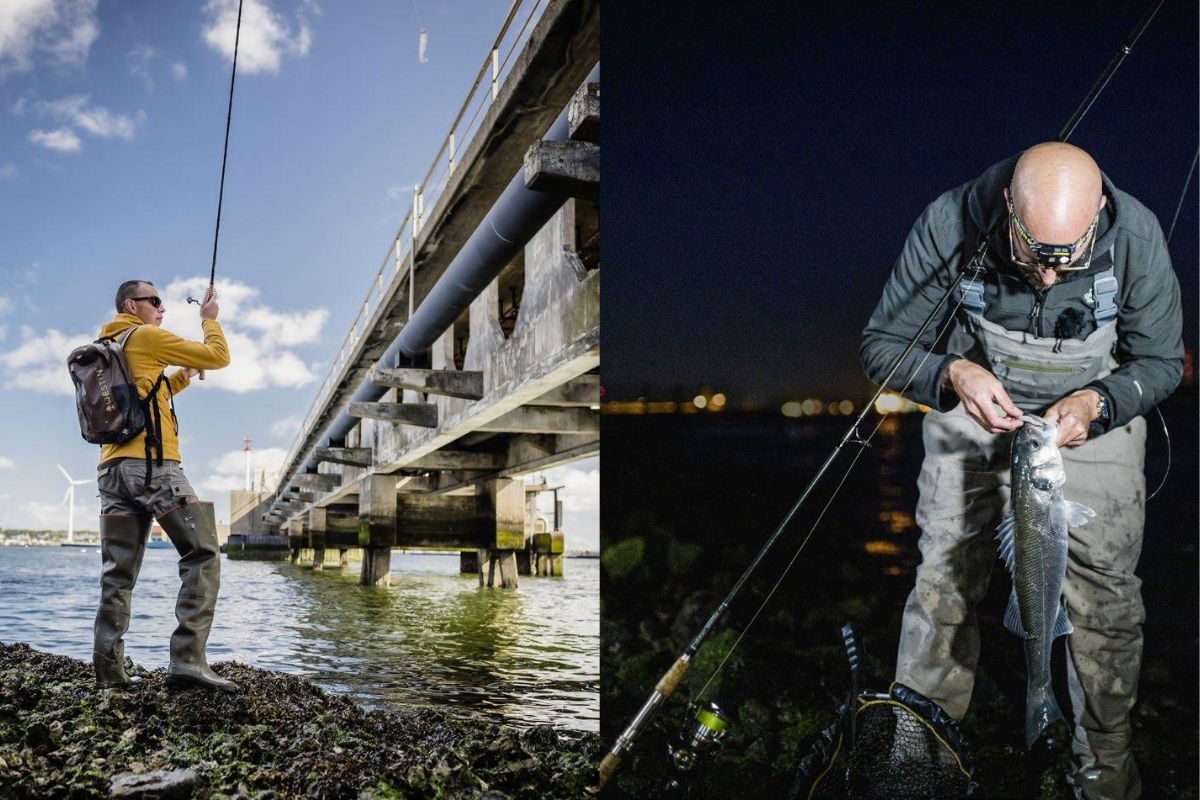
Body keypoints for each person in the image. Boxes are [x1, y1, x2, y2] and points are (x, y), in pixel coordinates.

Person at [859, 142, 1183, 800]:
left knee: (1108, 597)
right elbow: (881, 347)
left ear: (1099, 212)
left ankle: (1104, 767)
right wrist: (949, 372)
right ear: (1008, 205)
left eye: (1067, 255)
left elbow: (1163, 362)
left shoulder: (1137, 235)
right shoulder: (948, 224)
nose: (1046, 274)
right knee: (944, 576)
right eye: (1034, 252)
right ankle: (924, 745)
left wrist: (1100, 402)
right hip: (975, 403)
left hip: (1093, 411)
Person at [93, 280, 234, 692]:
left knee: (117, 575)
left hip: (112, 471)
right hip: (154, 466)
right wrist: (209, 322)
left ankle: (109, 673)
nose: (162, 309)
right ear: (131, 305)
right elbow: (218, 356)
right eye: (155, 301)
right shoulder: (148, 336)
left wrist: (182, 377)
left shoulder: (109, 345)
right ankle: (188, 661)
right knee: (203, 553)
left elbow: (145, 397)